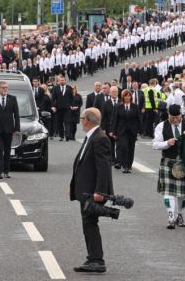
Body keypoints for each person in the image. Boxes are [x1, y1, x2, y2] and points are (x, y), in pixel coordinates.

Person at [69, 107, 113, 274]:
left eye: (81, 118)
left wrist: (101, 192)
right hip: (86, 189)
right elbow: (83, 164)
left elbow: (104, 168)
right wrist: (74, 185)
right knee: (88, 224)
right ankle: (93, 257)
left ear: (86, 120)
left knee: (90, 224)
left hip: (93, 191)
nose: (81, 121)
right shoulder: (93, 137)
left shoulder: (100, 138)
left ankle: (97, 260)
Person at [153, 104, 185, 229]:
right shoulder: (161, 126)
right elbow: (155, 144)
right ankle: (171, 217)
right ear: (169, 115)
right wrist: (167, 143)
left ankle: (180, 215)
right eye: (173, 117)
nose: (176, 120)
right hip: (168, 161)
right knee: (169, 191)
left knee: (183, 193)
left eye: (178, 117)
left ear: (181, 115)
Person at [112, 89, 143, 173]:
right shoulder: (119, 107)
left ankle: (129, 166)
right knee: (124, 146)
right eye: (126, 96)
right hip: (121, 131)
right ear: (123, 97)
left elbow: (138, 119)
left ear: (131, 97)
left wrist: (141, 131)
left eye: (129, 96)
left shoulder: (135, 106)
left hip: (132, 131)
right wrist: (114, 132)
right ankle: (124, 165)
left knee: (131, 148)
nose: (127, 97)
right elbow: (116, 120)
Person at [52, 75, 74, 141]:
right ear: (59, 81)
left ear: (65, 81)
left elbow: (72, 98)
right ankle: (61, 136)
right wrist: (53, 106)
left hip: (67, 108)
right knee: (60, 122)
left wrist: (71, 105)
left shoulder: (69, 88)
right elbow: (53, 98)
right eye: (60, 80)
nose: (62, 81)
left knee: (67, 122)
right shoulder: (56, 88)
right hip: (59, 108)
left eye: (63, 80)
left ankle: (67, 135)